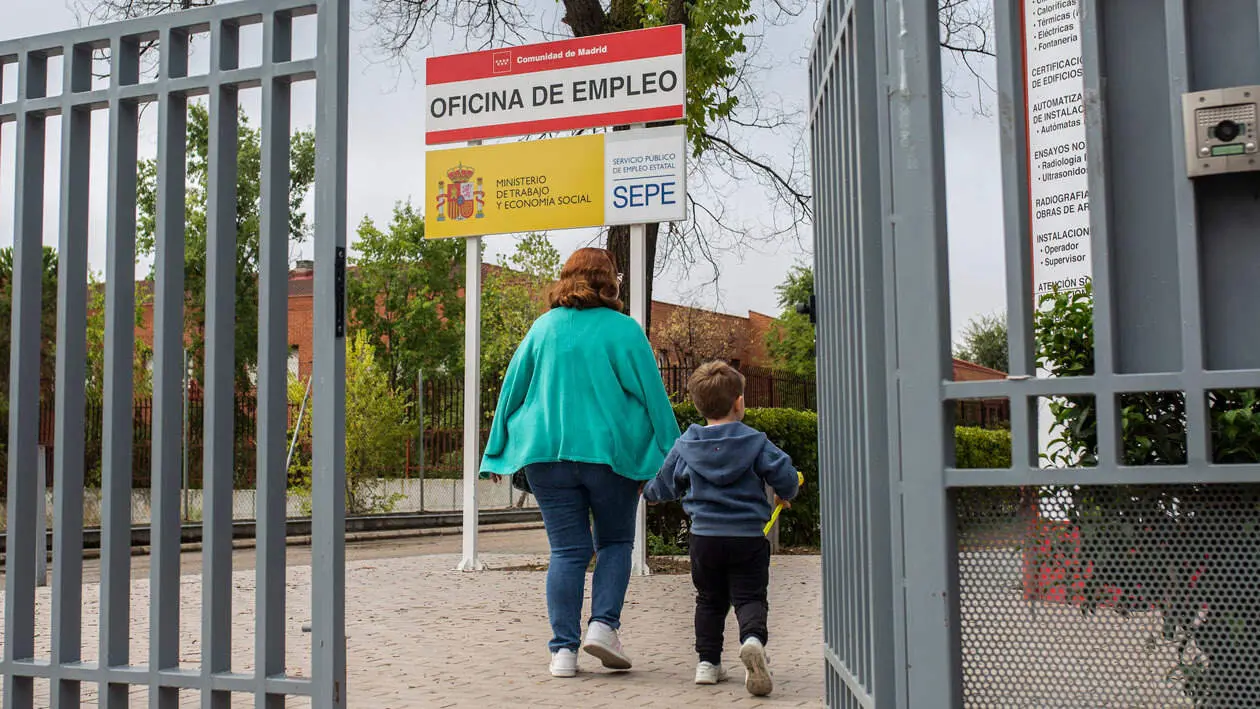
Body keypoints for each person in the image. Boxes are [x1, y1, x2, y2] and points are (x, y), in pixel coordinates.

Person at [480, 247, 681, 679]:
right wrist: (676, 453)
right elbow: (653, 396)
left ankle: (563, 653)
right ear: (610, 281)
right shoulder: (624, 331)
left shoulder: (543, 328)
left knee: (567, 551)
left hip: (547, 456)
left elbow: (511, 389)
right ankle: (604, 627)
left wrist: (494, 450)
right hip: (611, 456)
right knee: (615, 543)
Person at [642, 360, 800, 697]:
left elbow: (664, 485)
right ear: (739, 402)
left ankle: (707, 663)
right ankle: (752, 640)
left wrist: (648, 493)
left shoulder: (687, 445)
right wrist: (785, 493)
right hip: (747, 537)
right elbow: (785, 474)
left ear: (699, 406)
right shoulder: (755, 442)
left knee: (709, 600)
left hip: (705, 538)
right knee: (750, 596)